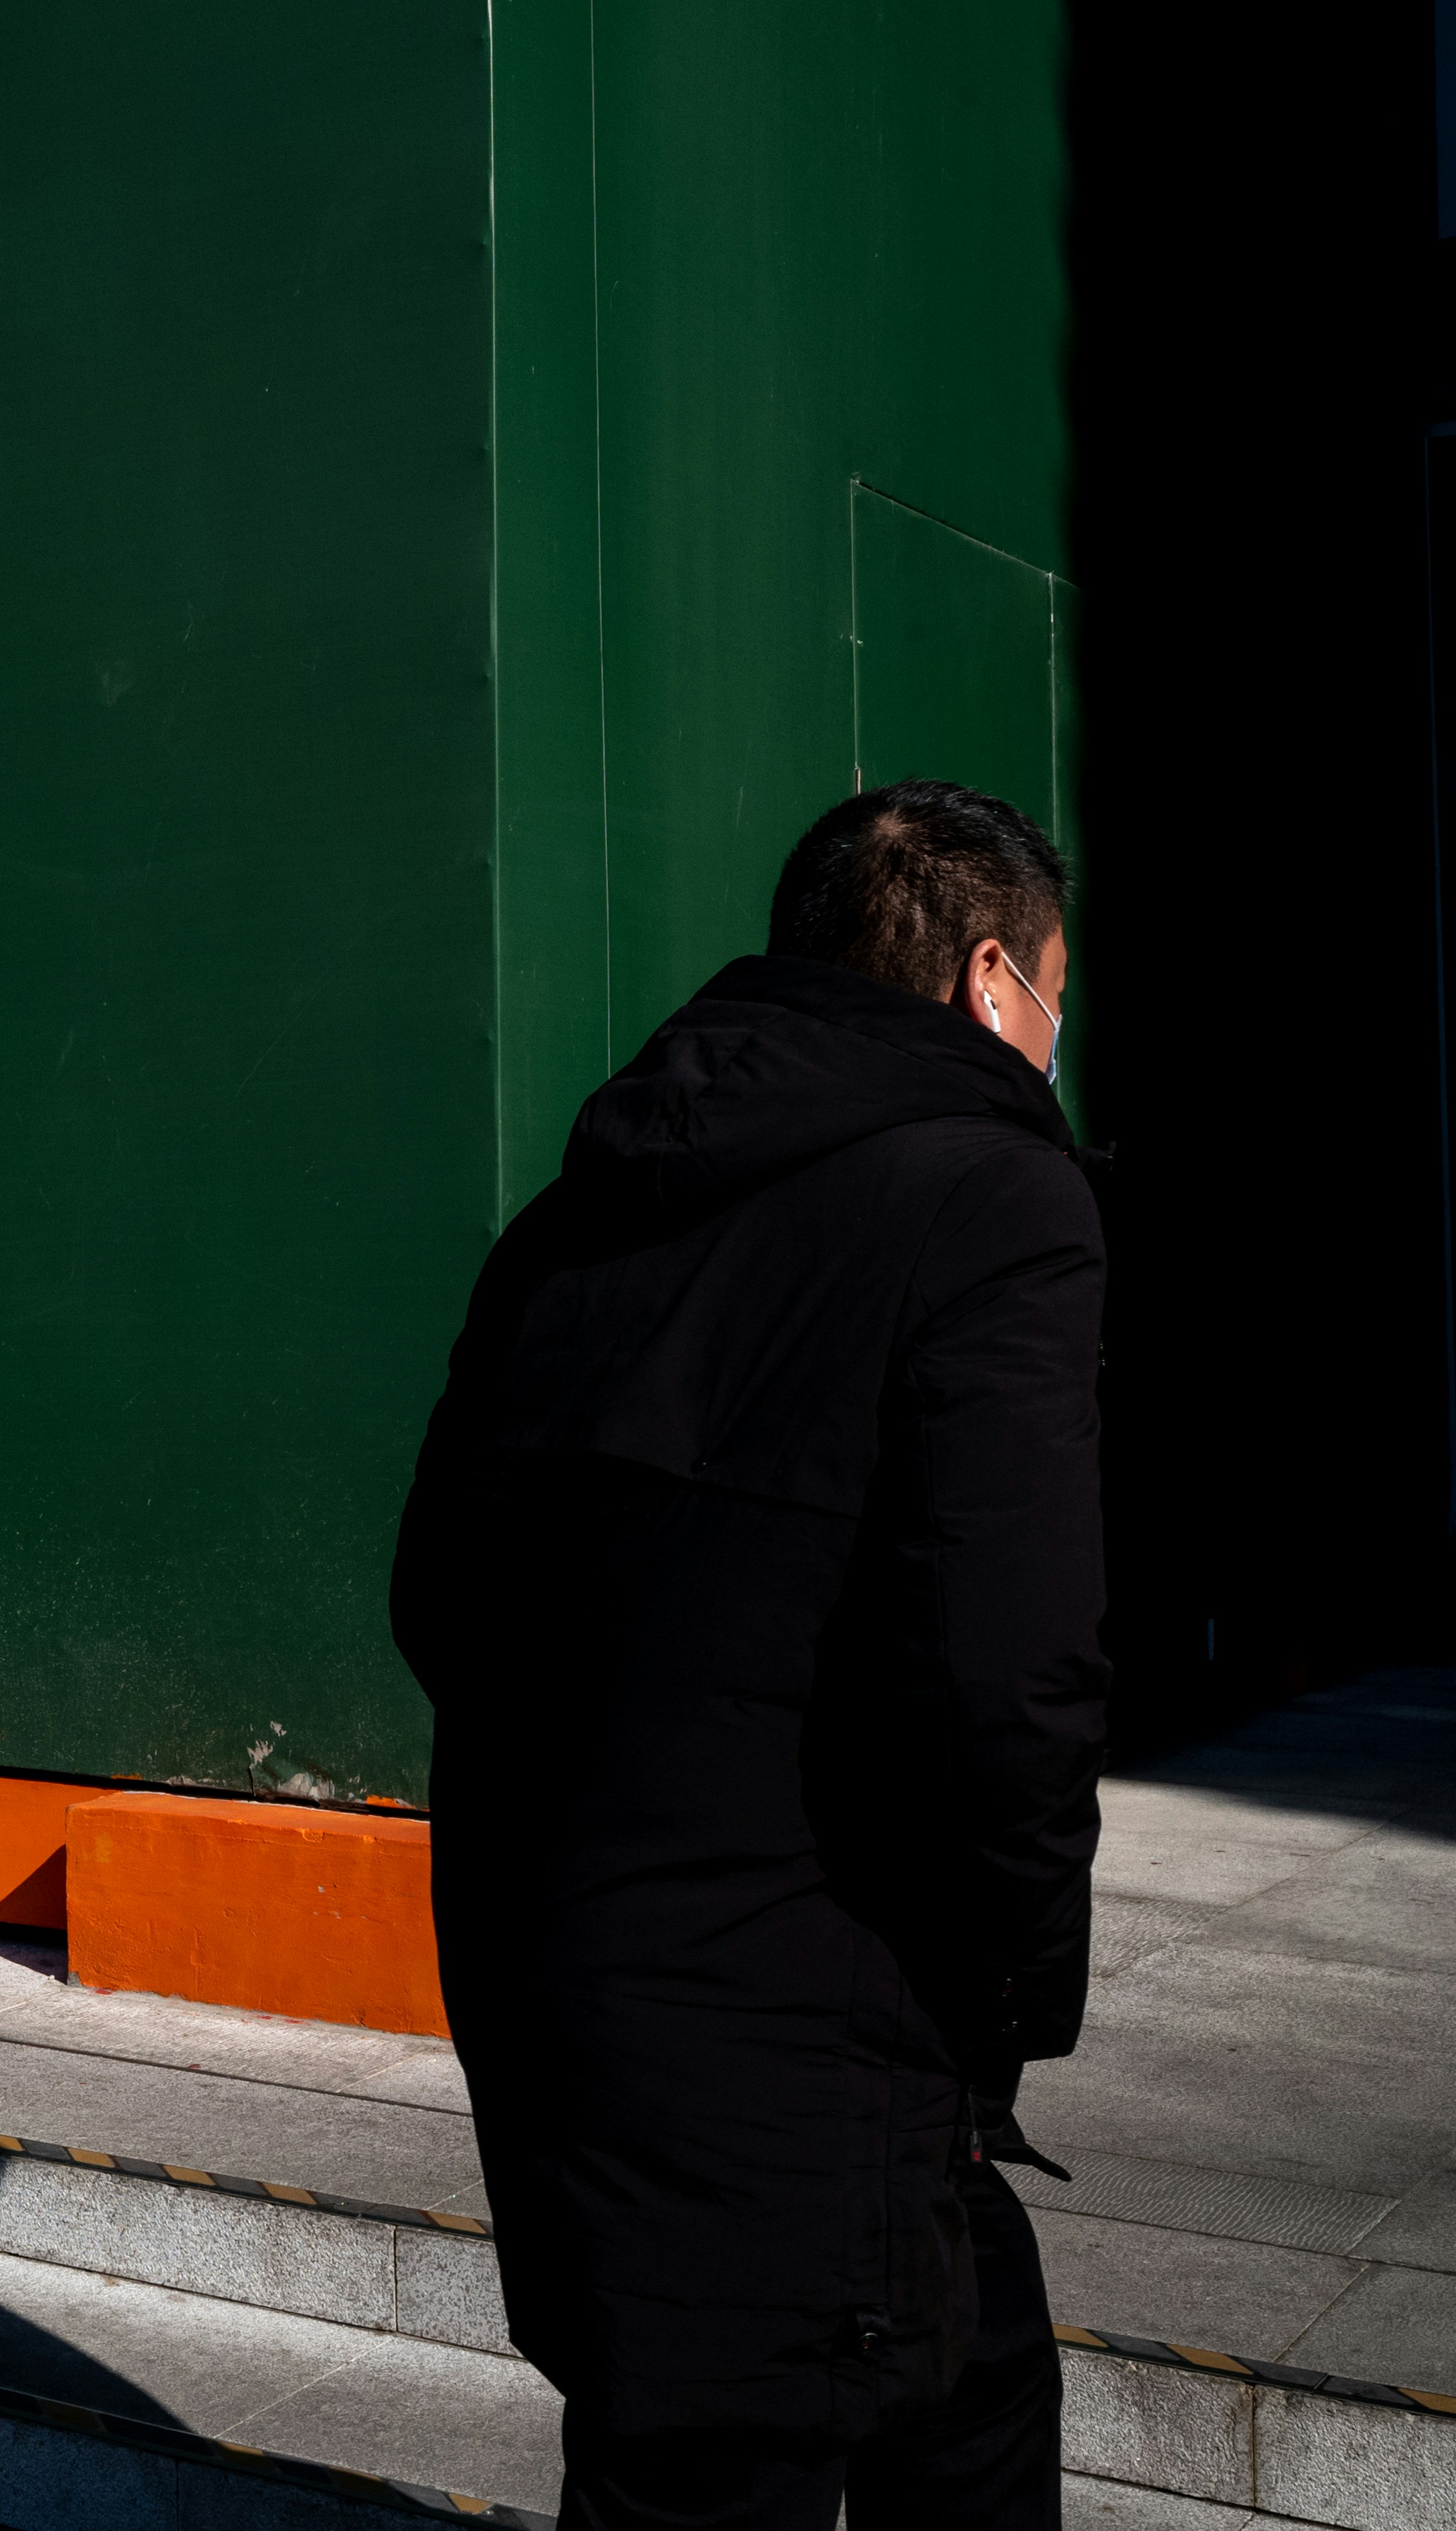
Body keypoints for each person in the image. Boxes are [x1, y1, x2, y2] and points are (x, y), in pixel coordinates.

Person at [392, 780, 1106, 2531]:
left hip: (559, 1955)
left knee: (961, 2366)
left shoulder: (578, 1208)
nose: (1052, 1038)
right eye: (1055, 993)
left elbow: (438, 1594)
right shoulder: (993, 1195)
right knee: (719, 2462)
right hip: (798, 1993)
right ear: (991, 976)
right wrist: (1021, 1977)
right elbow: (1009, 1664)